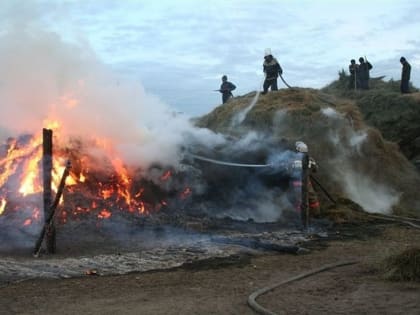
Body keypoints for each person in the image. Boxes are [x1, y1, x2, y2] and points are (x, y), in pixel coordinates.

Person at [288, 141, 320, 226]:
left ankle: (300, 218)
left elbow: (288, 171)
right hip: (307, 184)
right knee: (313, 199)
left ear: (298, 150)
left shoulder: (293, 159)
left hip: (296, 184)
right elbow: (316, 169)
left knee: (299, 201)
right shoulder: (310, 159)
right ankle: (316, 215)